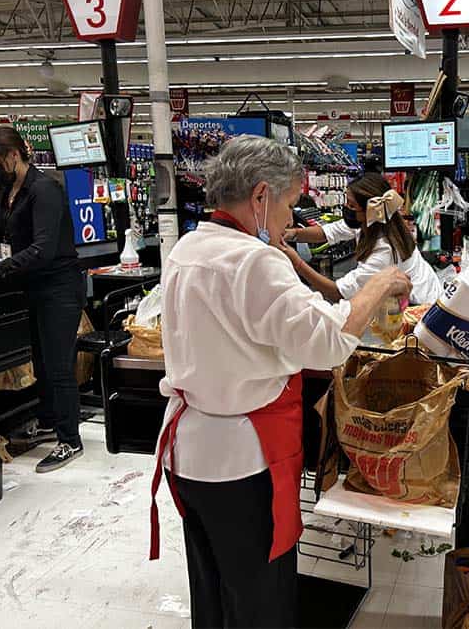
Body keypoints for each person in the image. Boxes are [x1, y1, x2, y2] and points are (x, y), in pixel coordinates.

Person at [149, 135, 411, 629]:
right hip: (244, 460)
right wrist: (380, 283)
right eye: (290, 204)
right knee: (260, 598)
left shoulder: (188, 247)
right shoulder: (255, 261)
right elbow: (327, 342)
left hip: (189, 452)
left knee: (214, 589)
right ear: (261, 196)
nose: (291, 220)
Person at [0, 127, 85, 473]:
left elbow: (43, 250)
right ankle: (48, 422)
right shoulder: (5, 188)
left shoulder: (44, 189)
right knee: (41, 360)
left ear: (12, 155)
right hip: (30, 287)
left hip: (59, 287)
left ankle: (69, 440)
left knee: (59, 365)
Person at [284, 173, 442, 305]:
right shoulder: (372, 222)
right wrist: (293, 233)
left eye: (352, 206)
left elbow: (338, 293)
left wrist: (297, 263)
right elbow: (329, 232)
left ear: (371, 210)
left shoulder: (384, 250)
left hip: (420, 306)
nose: (346, 209)